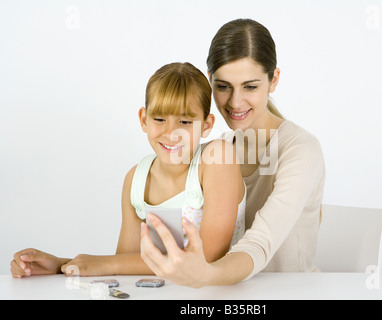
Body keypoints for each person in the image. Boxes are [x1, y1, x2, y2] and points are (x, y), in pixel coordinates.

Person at [10, 62, 246, 277]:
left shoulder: (218, 158)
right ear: (144, 119)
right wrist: (63, 265)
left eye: (185, 122)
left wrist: (105, 264)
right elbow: (125, 266)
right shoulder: (136, 179)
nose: (171, 132)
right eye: (159, 119)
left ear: (206, 125)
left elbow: (205, 259)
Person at [140, 19, 326, 287]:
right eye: (223, 86)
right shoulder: (220, 150)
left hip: (290, 292)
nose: (235, 102)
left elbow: (259, 242)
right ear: (209, 80)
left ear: (273, 80)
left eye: (250, 87)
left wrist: (205, 273)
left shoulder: (301, 150)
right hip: (232, 293)